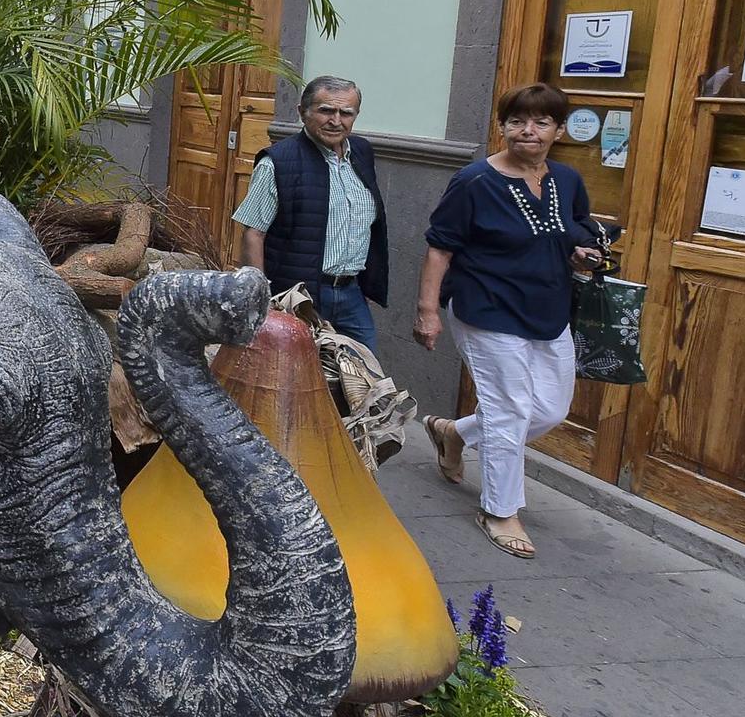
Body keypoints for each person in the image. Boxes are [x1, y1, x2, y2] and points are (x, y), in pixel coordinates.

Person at [414, 82, 602, 560]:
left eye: (541, 122)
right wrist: (428, 311)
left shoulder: (566, 180)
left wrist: (582, 252)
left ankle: (454, 433)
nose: (528, 131)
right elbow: (440, 247)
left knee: (550, 410)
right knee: (510, 409)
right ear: (502, 127)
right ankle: (500, 510)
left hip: (547, 307)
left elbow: (577, 227)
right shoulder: (475, 181)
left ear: (559, 130)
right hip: (486, 308)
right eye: (517, 121)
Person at [233, 76, 389, 351]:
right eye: (326, 110)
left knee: (367, 379)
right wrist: (263, 300)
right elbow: (253, 233)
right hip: (298, 297)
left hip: (351, 295)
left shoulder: (362, 153)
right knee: (300, 384)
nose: (336, 120)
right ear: (302, 112)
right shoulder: (278, 162)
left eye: (346, 113)